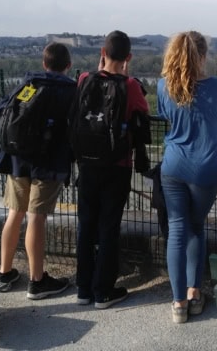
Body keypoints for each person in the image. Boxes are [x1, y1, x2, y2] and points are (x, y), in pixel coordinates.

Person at [0, 42, 76, 299]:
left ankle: (5, 272)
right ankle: (37, 280)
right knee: (36, 217)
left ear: (44, 63)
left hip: (17, 159)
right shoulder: (70, 90)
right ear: (68, 65)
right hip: (48, 163)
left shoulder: (26, 85)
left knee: (14, 213)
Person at [157, 31, 217, 323]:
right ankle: (194, 293)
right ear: (203, 56)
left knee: (176, 229)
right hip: (205, 168)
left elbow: (166, 115)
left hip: (173, 167)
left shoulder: (164, 87)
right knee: (196, 228)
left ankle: (178, 304)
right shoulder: (216, 86)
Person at [74, 30, 150, 309]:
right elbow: (142, 109)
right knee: (108, 226)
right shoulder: (129, 86)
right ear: (128, 57)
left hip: (87, 164)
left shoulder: (84, 79)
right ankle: (103, 290)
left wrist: (102, 70)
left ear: (102, 54)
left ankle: (83, 289)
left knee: (86, 225)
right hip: (117, 165)